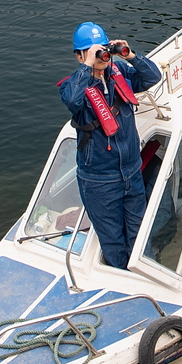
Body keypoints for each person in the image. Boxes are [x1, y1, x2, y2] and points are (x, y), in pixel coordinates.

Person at [58, 21, 163, 268]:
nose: (102, 55)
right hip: (100, 180)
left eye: (103, 49)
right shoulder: (73, 86)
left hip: (131, 171)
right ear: (79, 55)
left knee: (138, 234)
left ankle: (143, 274)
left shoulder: (120, 75)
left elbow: (153, 76)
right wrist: (88, 66)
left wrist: (129, 55)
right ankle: (122, 278)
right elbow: (72, 100)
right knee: (113, 241)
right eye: (94, 50)